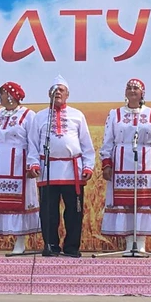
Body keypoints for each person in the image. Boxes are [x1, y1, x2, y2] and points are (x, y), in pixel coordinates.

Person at [27, 75, 95, 258]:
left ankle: (72, 247)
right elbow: (33, 143)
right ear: (48, 94)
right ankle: (51, 245)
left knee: (74, 211)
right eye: (54, 90)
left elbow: (86, 143)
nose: (57, 92)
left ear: (67, 94)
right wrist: (33, 163)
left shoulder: (77, 115)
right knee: (49, 212)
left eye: (61, 90)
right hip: (48, 170)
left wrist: (88, 166)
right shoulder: (40, 116)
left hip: (72, 171)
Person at [100, 78, 151, 254]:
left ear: (143, 92)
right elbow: (108, 140)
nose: (132, 90)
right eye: (129, 87)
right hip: (121, 161)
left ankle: (141, 243)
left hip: (146, 161)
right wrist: (106, 163)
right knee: (125, 202)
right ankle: (129, 242)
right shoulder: (115, 114)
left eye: (136, 88)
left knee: (142, 202)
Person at [0, 82, 40, 255]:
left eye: (2, 93)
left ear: (11, 95)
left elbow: (33, 142)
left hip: (19, 163)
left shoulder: (28, 115)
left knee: (19, 203)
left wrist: (32, 163)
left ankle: (19, 241)